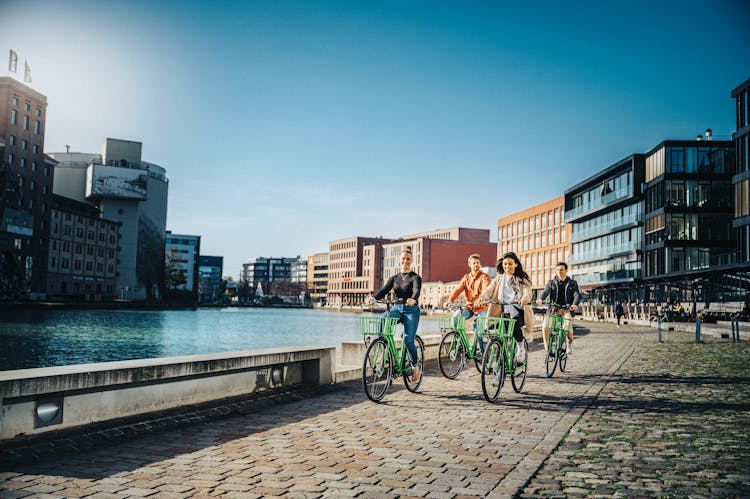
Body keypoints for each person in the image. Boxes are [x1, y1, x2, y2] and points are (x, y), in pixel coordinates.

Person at [372, 246, 423, 382]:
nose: (405, 261)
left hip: (411, 310)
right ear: (399, 260)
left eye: (408, 259)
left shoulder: (415, 277)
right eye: (403, 259)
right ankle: (384, 349)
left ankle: (415, 366)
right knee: (381, 320)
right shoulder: (394, 278)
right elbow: (383, 290)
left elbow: (416, 290)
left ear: (411, 261)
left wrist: (413, 299)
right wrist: (373, 298)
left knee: (408, 340)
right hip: (397, 308)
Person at [478, 252, 534, 367]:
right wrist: (482, 297)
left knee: (513, 323)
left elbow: (528, 292)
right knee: (498, 337)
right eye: (505, 264)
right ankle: (500, 371)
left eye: (510, 264)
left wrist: (524, 298)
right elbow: (489, 289)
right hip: (502, 311)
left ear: (516, 264)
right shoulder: (499, 278)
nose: (507, 267)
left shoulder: (522, 279)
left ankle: (520, 347)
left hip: (519, 310)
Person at [446, 254, 491, 353]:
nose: (476, 265)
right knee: (455, 318)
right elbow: (458, 289)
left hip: (481, 307)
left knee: (480, 330)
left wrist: (481, 298)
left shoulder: (485, 277)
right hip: (469, 307)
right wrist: (450, 300)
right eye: (474, 263)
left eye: (478, 263)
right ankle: (461, 342)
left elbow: (486, 289)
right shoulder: (466, 277)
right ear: (469, 264)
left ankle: (484, 355)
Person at [537, 262, 580, 353]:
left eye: (561, 270)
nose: (559, 271)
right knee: (545, 327)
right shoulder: (551, 283)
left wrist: (575, 304)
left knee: (567, 326)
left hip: (567, 309)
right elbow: (545, 292)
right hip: (553, 309)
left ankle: (570, 342)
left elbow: (576, 294)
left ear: (566, 270)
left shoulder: (572, 283)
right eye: (557, 270)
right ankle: (548, 348)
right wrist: (540, 299)